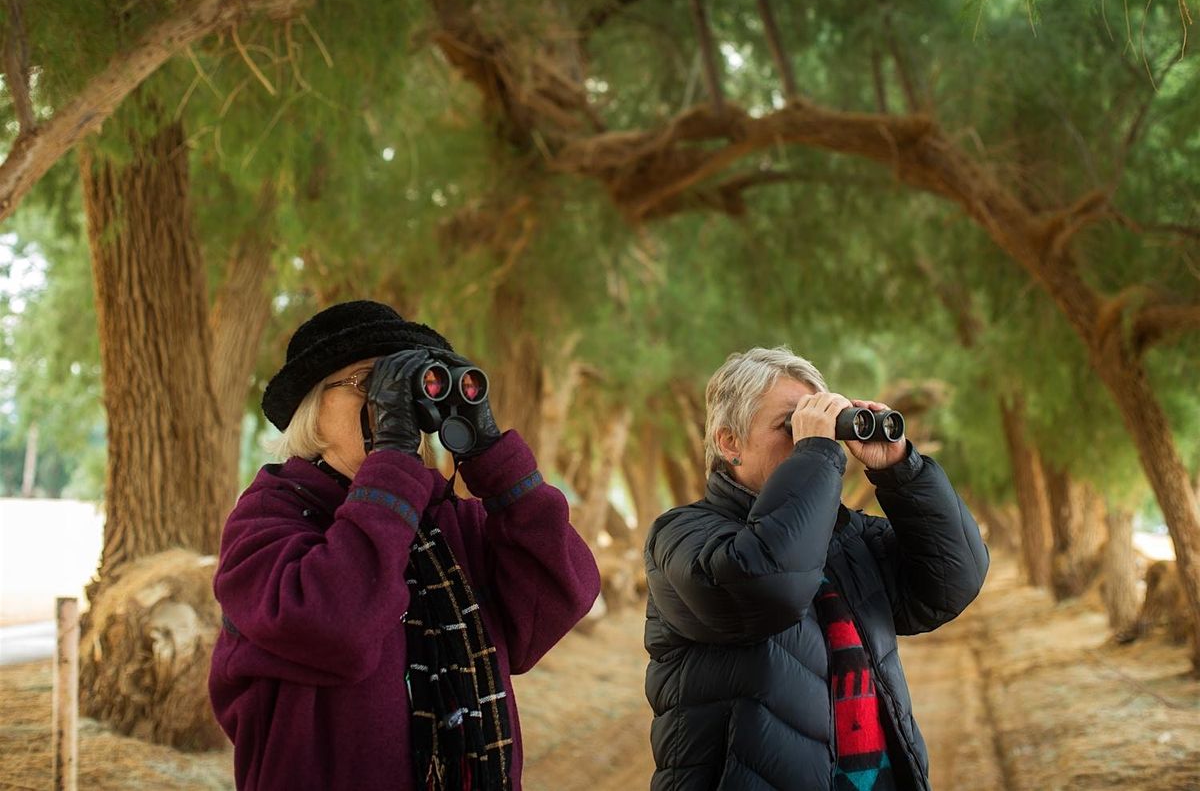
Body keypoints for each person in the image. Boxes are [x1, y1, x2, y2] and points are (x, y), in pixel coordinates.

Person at [208, 300, 600, 791]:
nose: (392, 406)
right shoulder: (269, 517)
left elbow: (561, 595)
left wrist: (492, 457)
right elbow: (337, 627)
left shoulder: (443, 520)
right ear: (313, 411)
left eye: (402, 389)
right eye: (368, 385)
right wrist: (391, 457)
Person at [643, 347, 989, 791]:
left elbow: (951, 581)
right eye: (792, 425)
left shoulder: (845, 535)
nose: (812, 438)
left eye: (818, 421)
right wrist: (818, 453)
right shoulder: (680, 536)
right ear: (729, 442)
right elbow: (770, 583)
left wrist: (902, 470)